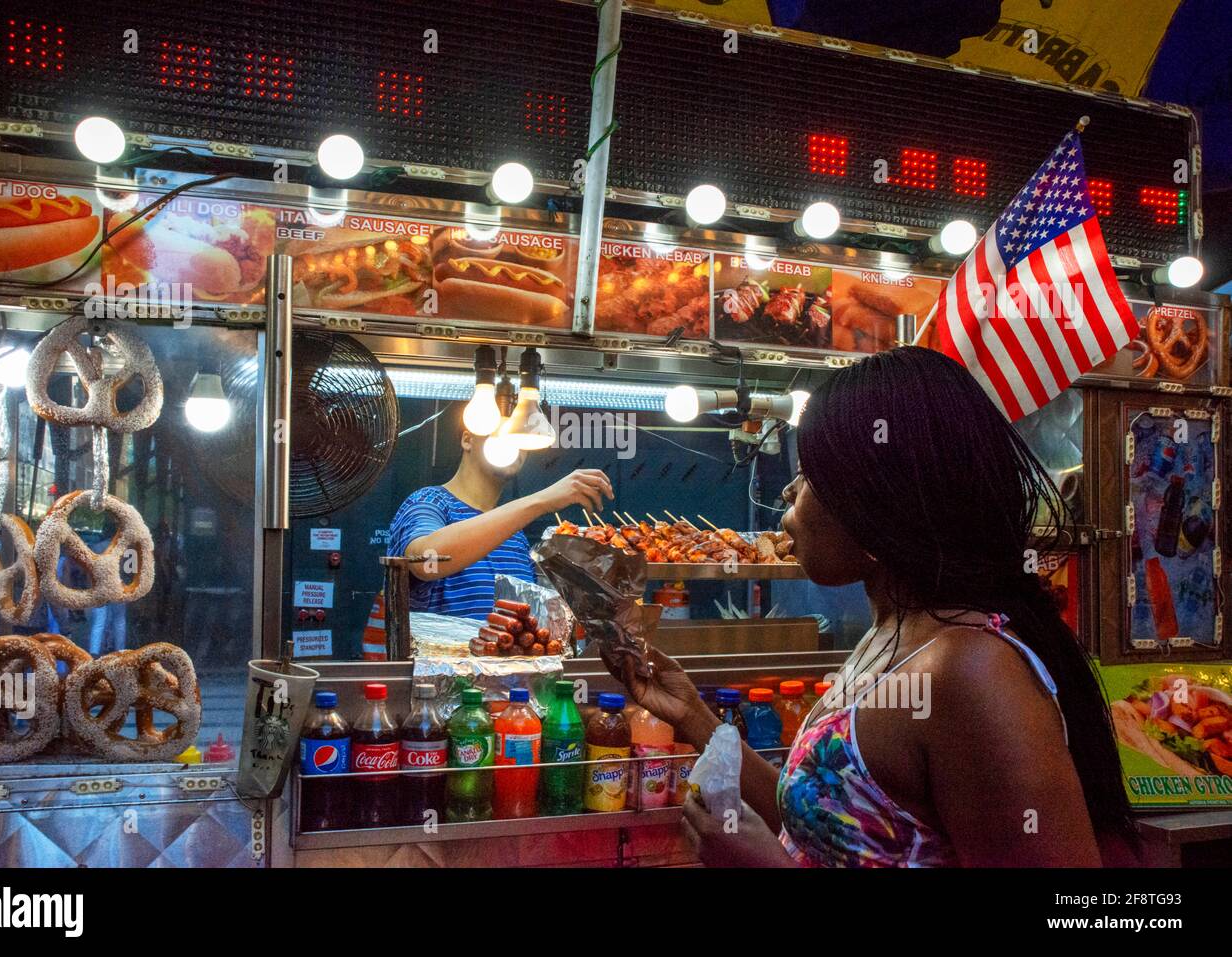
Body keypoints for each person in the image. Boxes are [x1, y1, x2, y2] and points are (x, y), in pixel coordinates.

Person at [605, 347, 1134, 867]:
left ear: (876, 506)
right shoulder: (894, 633)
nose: (790, 490)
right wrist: (693, 716)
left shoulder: (971, 671)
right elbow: (830, 822)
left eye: (810, 473)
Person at [389, 429, 613, 619]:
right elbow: (427, 561)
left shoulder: (514, 536)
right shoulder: (430, 502)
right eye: (501, 434)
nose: (513, 445)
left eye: (520, 439)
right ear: (468, 439)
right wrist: (541, 501)